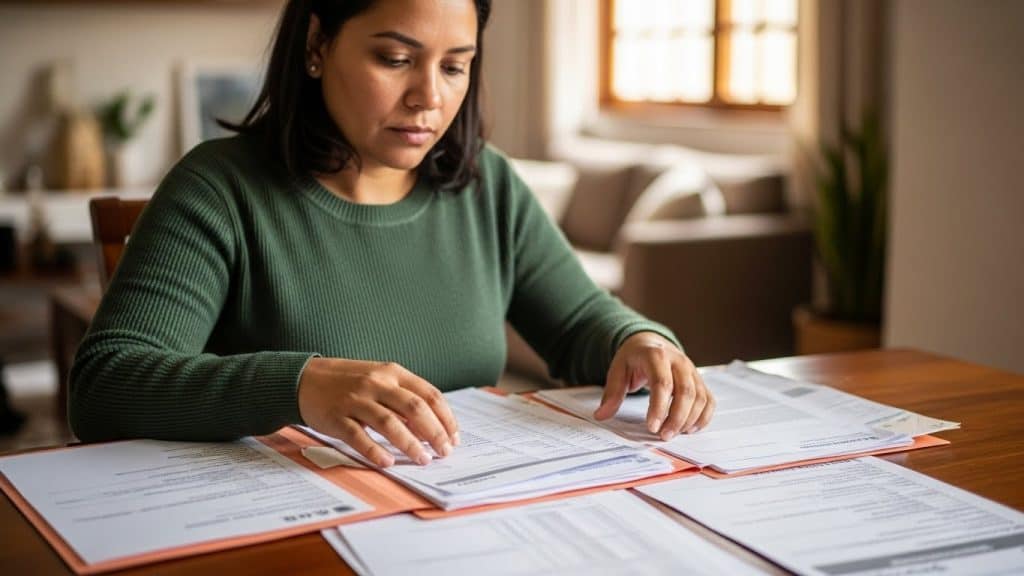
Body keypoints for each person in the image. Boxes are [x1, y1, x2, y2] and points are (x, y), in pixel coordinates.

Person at [69, 0, 714, 468]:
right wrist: (300, 385)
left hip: (458, 522)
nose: (427, 98)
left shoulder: (485, 186)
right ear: (317, 45)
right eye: (396, 58)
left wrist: (640, 339)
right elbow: (105, 385)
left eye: (454, 67)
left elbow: (580, 324)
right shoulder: (219, 189)